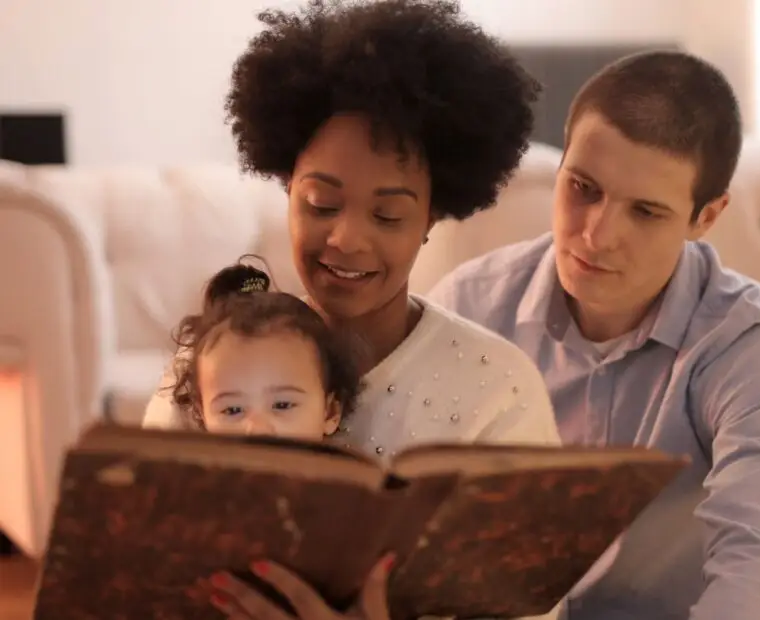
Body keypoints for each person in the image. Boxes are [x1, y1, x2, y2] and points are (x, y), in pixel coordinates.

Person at [141, 0, 562, 617]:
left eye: (388, 215)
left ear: (432, 217)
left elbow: (532, 607)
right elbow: (142, 565)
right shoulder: (209, 366)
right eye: (320, 203)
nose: (346, 240)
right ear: (286, 187)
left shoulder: (497, 389)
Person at [429, 50, 760, 620]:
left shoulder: (753, 341)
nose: (597, 234)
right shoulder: (468, 307)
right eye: (583, 188)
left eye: (644, 211)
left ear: (705, 217)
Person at [166, 260, 362, 439]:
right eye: (233, 410)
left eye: (282, 405)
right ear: (203, 417)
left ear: (330, 412)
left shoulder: (347, 477)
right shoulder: (190, 478)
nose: (258, 430)